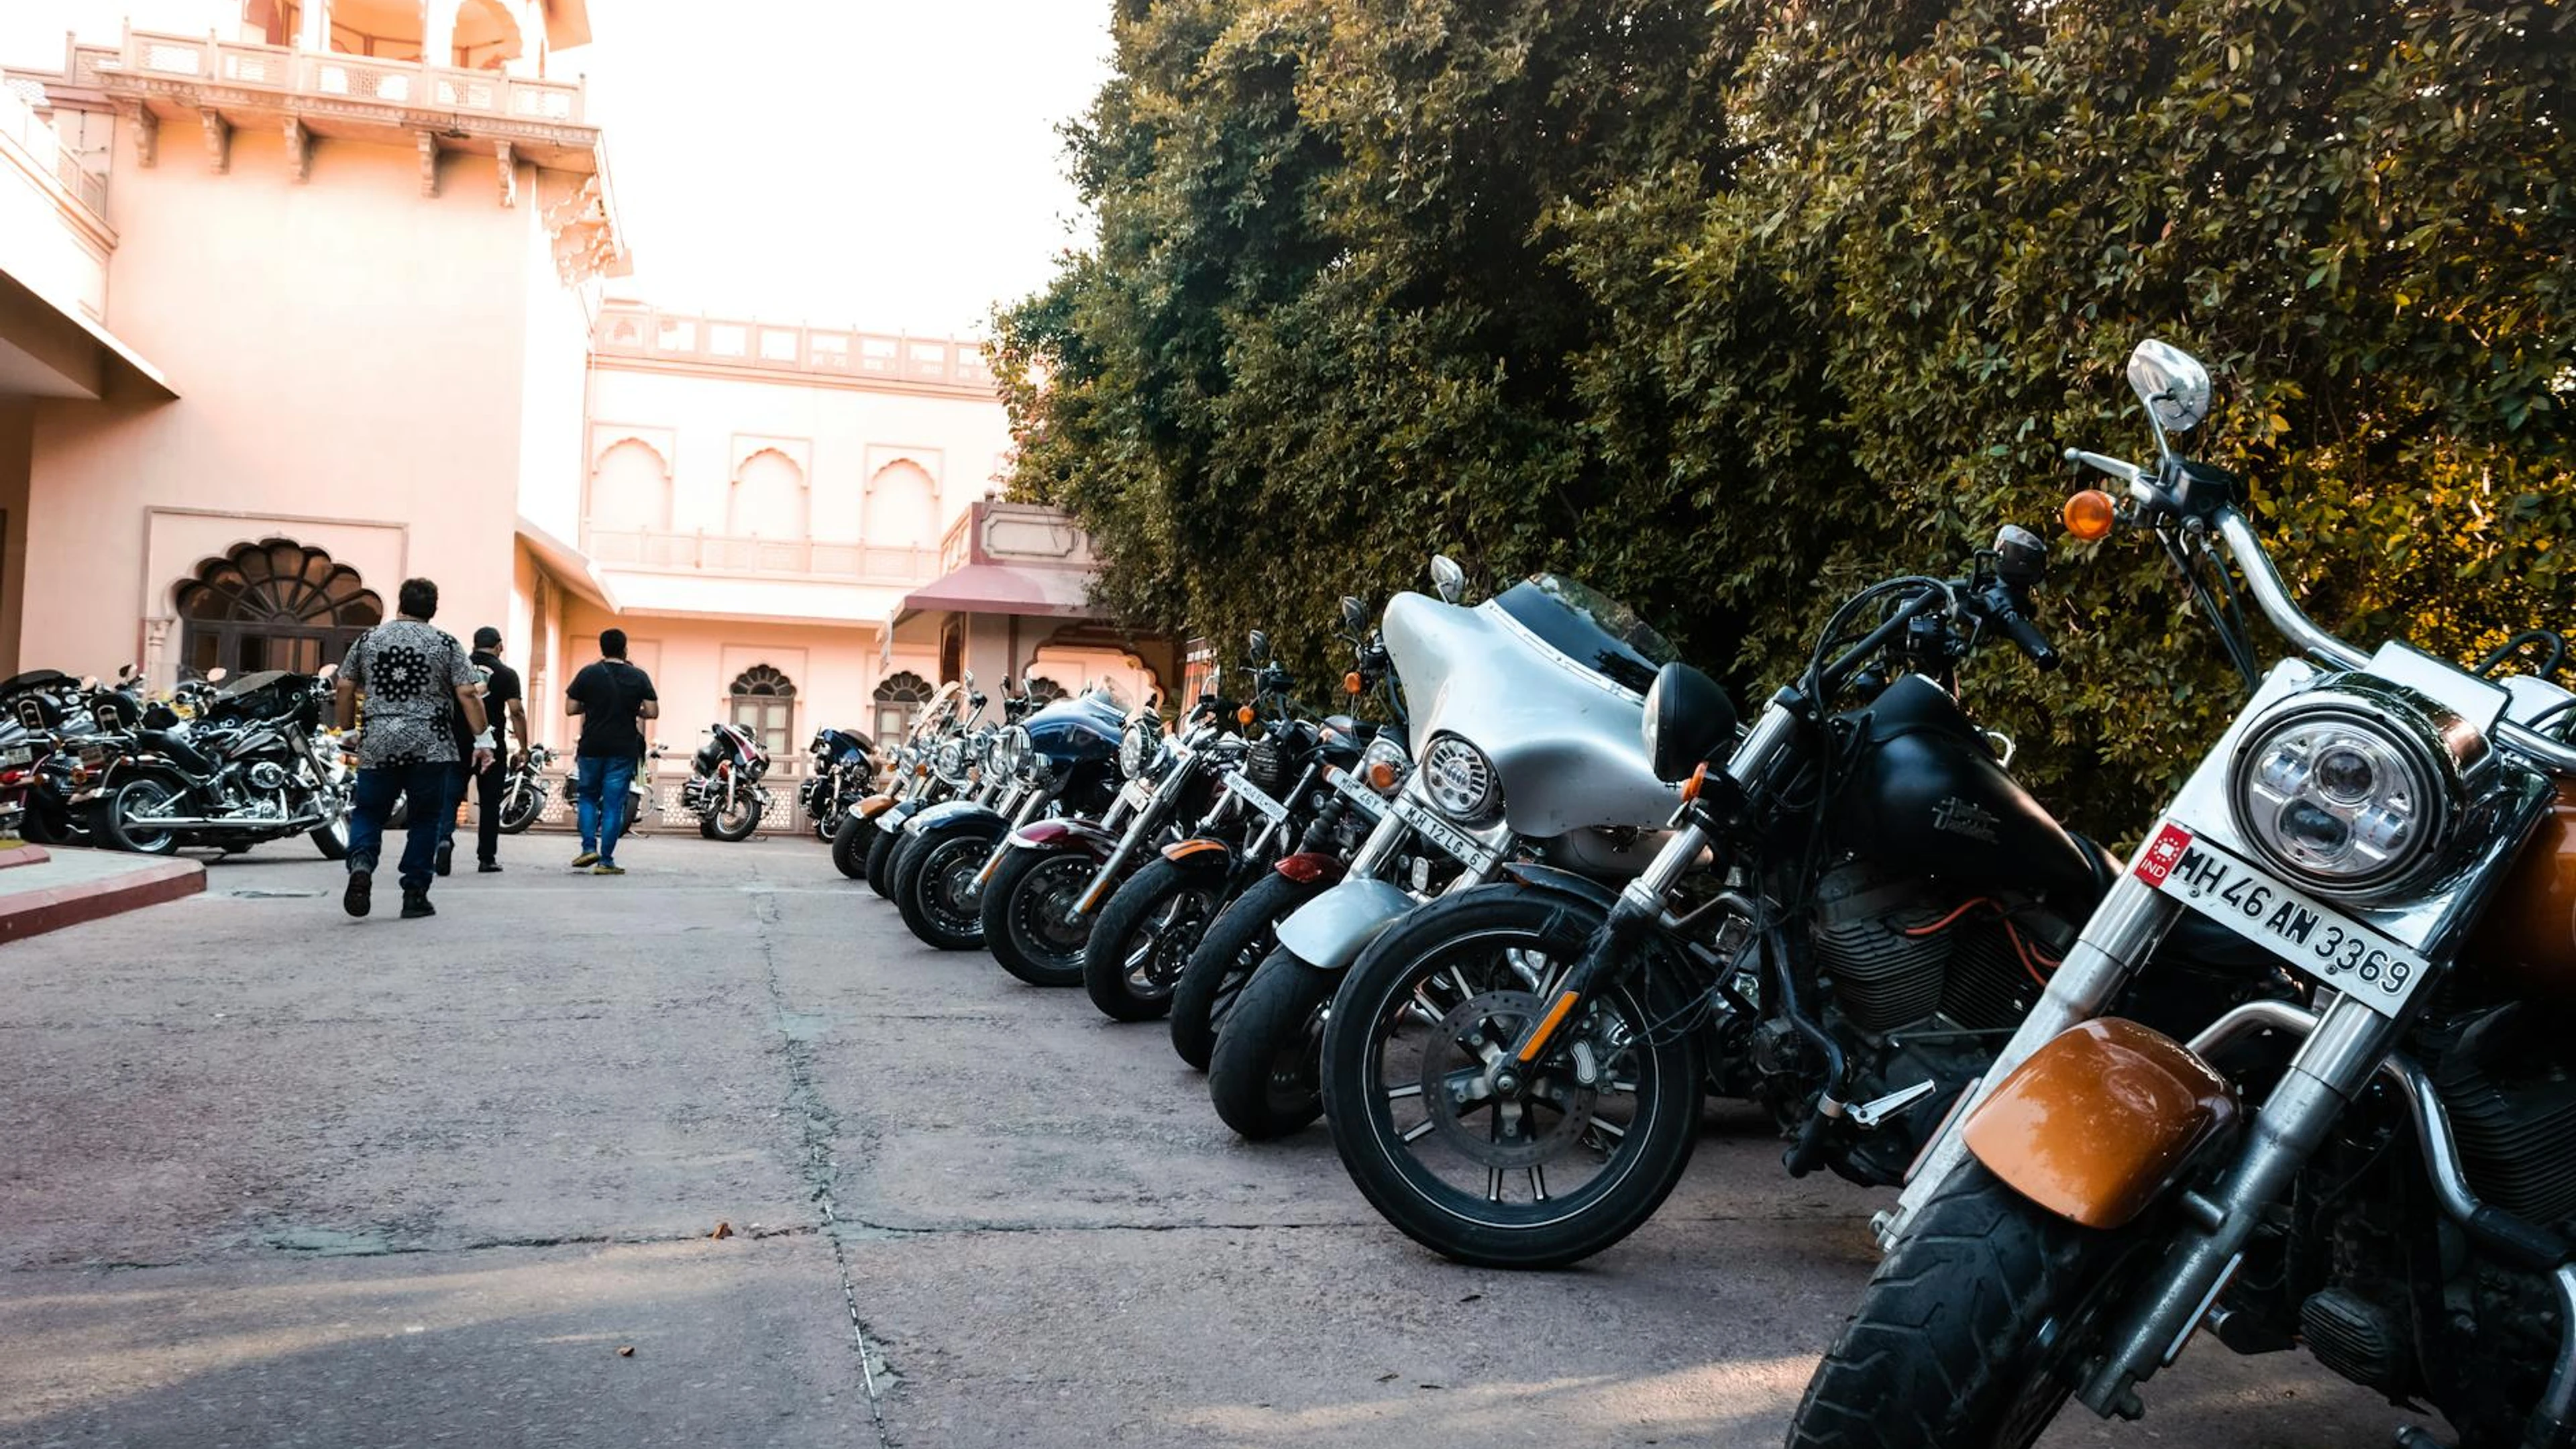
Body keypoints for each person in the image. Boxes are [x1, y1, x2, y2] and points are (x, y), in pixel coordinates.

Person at [335, 578, 492, 920]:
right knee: (426, 819)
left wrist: (347, 730)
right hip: (431, 745)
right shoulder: (446, 643)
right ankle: (414, 893)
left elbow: (345, 685)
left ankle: (361, 863)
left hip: (379, 742)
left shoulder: (369, 639)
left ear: (400, 603)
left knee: (368, 812)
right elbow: (468, 693)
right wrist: (483, 739)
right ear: (433, 609)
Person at [565, 628, 657, 875]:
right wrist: (633, 710)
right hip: (622, 748)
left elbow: (571, 708)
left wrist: (593, 704)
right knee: (614, 805)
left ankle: (587, 849)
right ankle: (606, 861)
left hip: (591, 746)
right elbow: (652, 711)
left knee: (587, 797)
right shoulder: (639, 676)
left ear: (602, 648)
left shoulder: (588, 673)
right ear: (625, 648)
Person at [465, 627, 526, 873]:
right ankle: (486, 858)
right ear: (499, 646)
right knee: (490, 802)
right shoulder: (506, 673)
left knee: (448, 796)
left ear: (474, 645)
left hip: (459, 741)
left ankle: (442, 843)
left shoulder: (460, 668)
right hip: (492, 743)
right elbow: (516, 711)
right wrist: (524, 746)